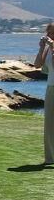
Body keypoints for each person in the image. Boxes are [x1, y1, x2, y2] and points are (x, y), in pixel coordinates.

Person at [33, 22, 54, 164]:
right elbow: (37, 65)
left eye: (51, 33)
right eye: (48, 33)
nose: (48, 36)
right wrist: (41, 48)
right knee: (49, 123)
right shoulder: (47, 49)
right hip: (51, 87)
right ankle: (50, 157)